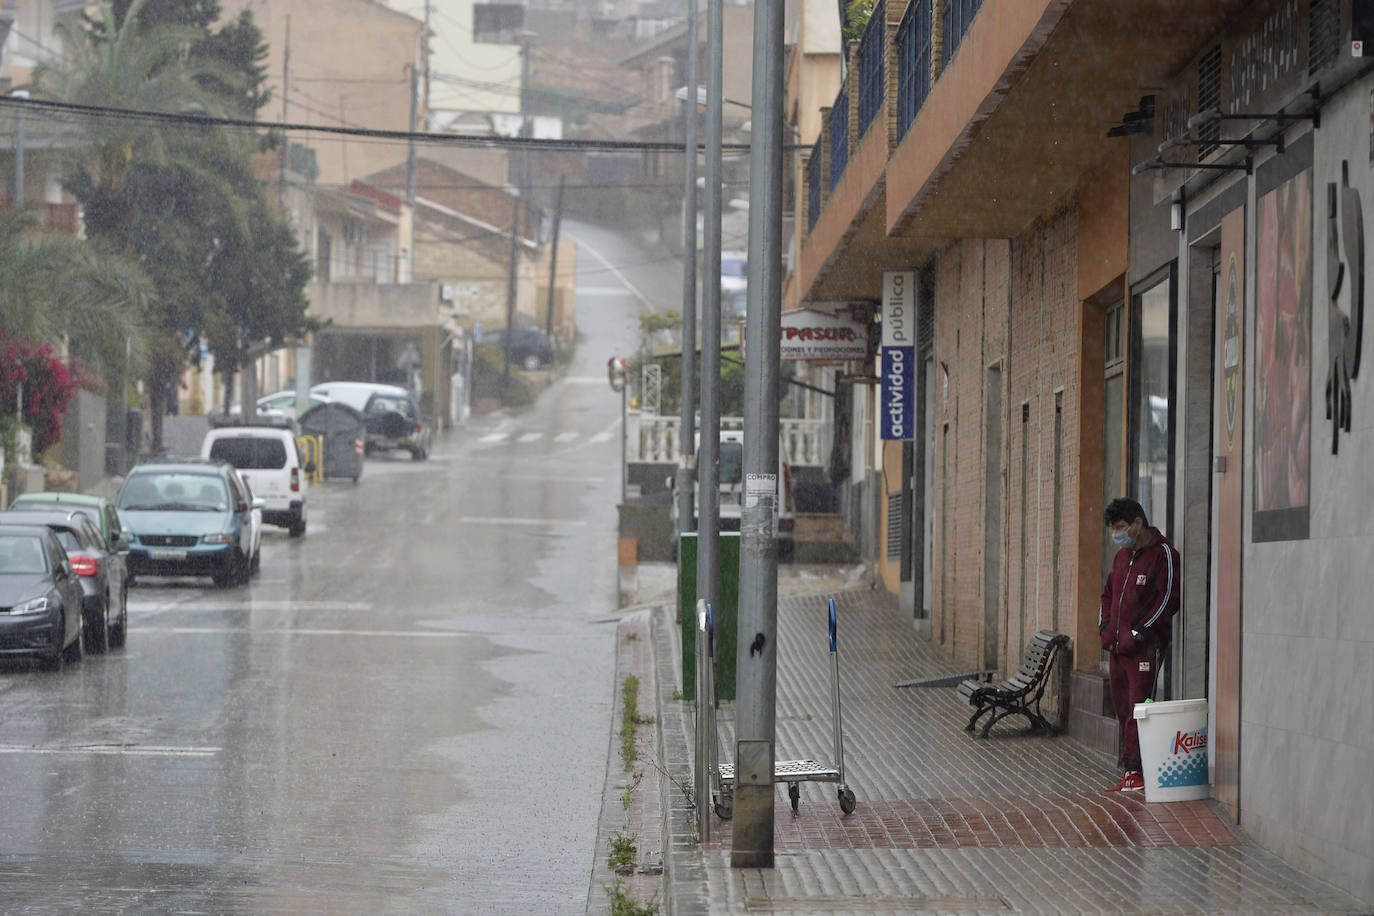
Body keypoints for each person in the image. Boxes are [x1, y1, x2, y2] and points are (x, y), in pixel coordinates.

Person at [1100, 498, 1180, 792]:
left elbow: (1169, 600)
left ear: (1137, 524)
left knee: (1139, 709)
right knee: (1122, 708)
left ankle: (1137, 771)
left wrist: (1139, 633)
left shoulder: (1164, 555)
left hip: (1144, 648)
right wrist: (1105, 628)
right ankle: (1129, 770)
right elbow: (1108, 594)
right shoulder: (1122, 557)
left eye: (1121, 527)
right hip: (1117, 649)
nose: (1117, 534)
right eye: (1113, 529)